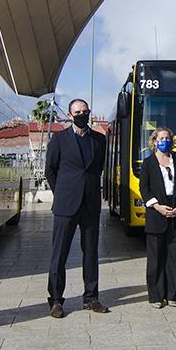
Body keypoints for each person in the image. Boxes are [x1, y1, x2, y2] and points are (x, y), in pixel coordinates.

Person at [45, 98, 109, 318]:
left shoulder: (99, 140)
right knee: (59, 254)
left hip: (90, 204)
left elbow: (97, 168)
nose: (82, 114)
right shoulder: (59, 139)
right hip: (65, 204)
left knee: (91, 253)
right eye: (77, 112)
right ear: (70, 115)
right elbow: (50, 170)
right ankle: (55, 300)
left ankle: (91, 297)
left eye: (85, 111)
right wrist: (62, 192)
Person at [139, 127, 176, 308]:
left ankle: (172, 294)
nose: (164, 140)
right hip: (156, 213)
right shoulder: (148, 163)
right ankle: (156, 296)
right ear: (154, 141)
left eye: (167, 138)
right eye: (161, 138)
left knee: (172, 256)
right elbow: (144, 188)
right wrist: (158, 206)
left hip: (175, 212)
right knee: (155, 257)